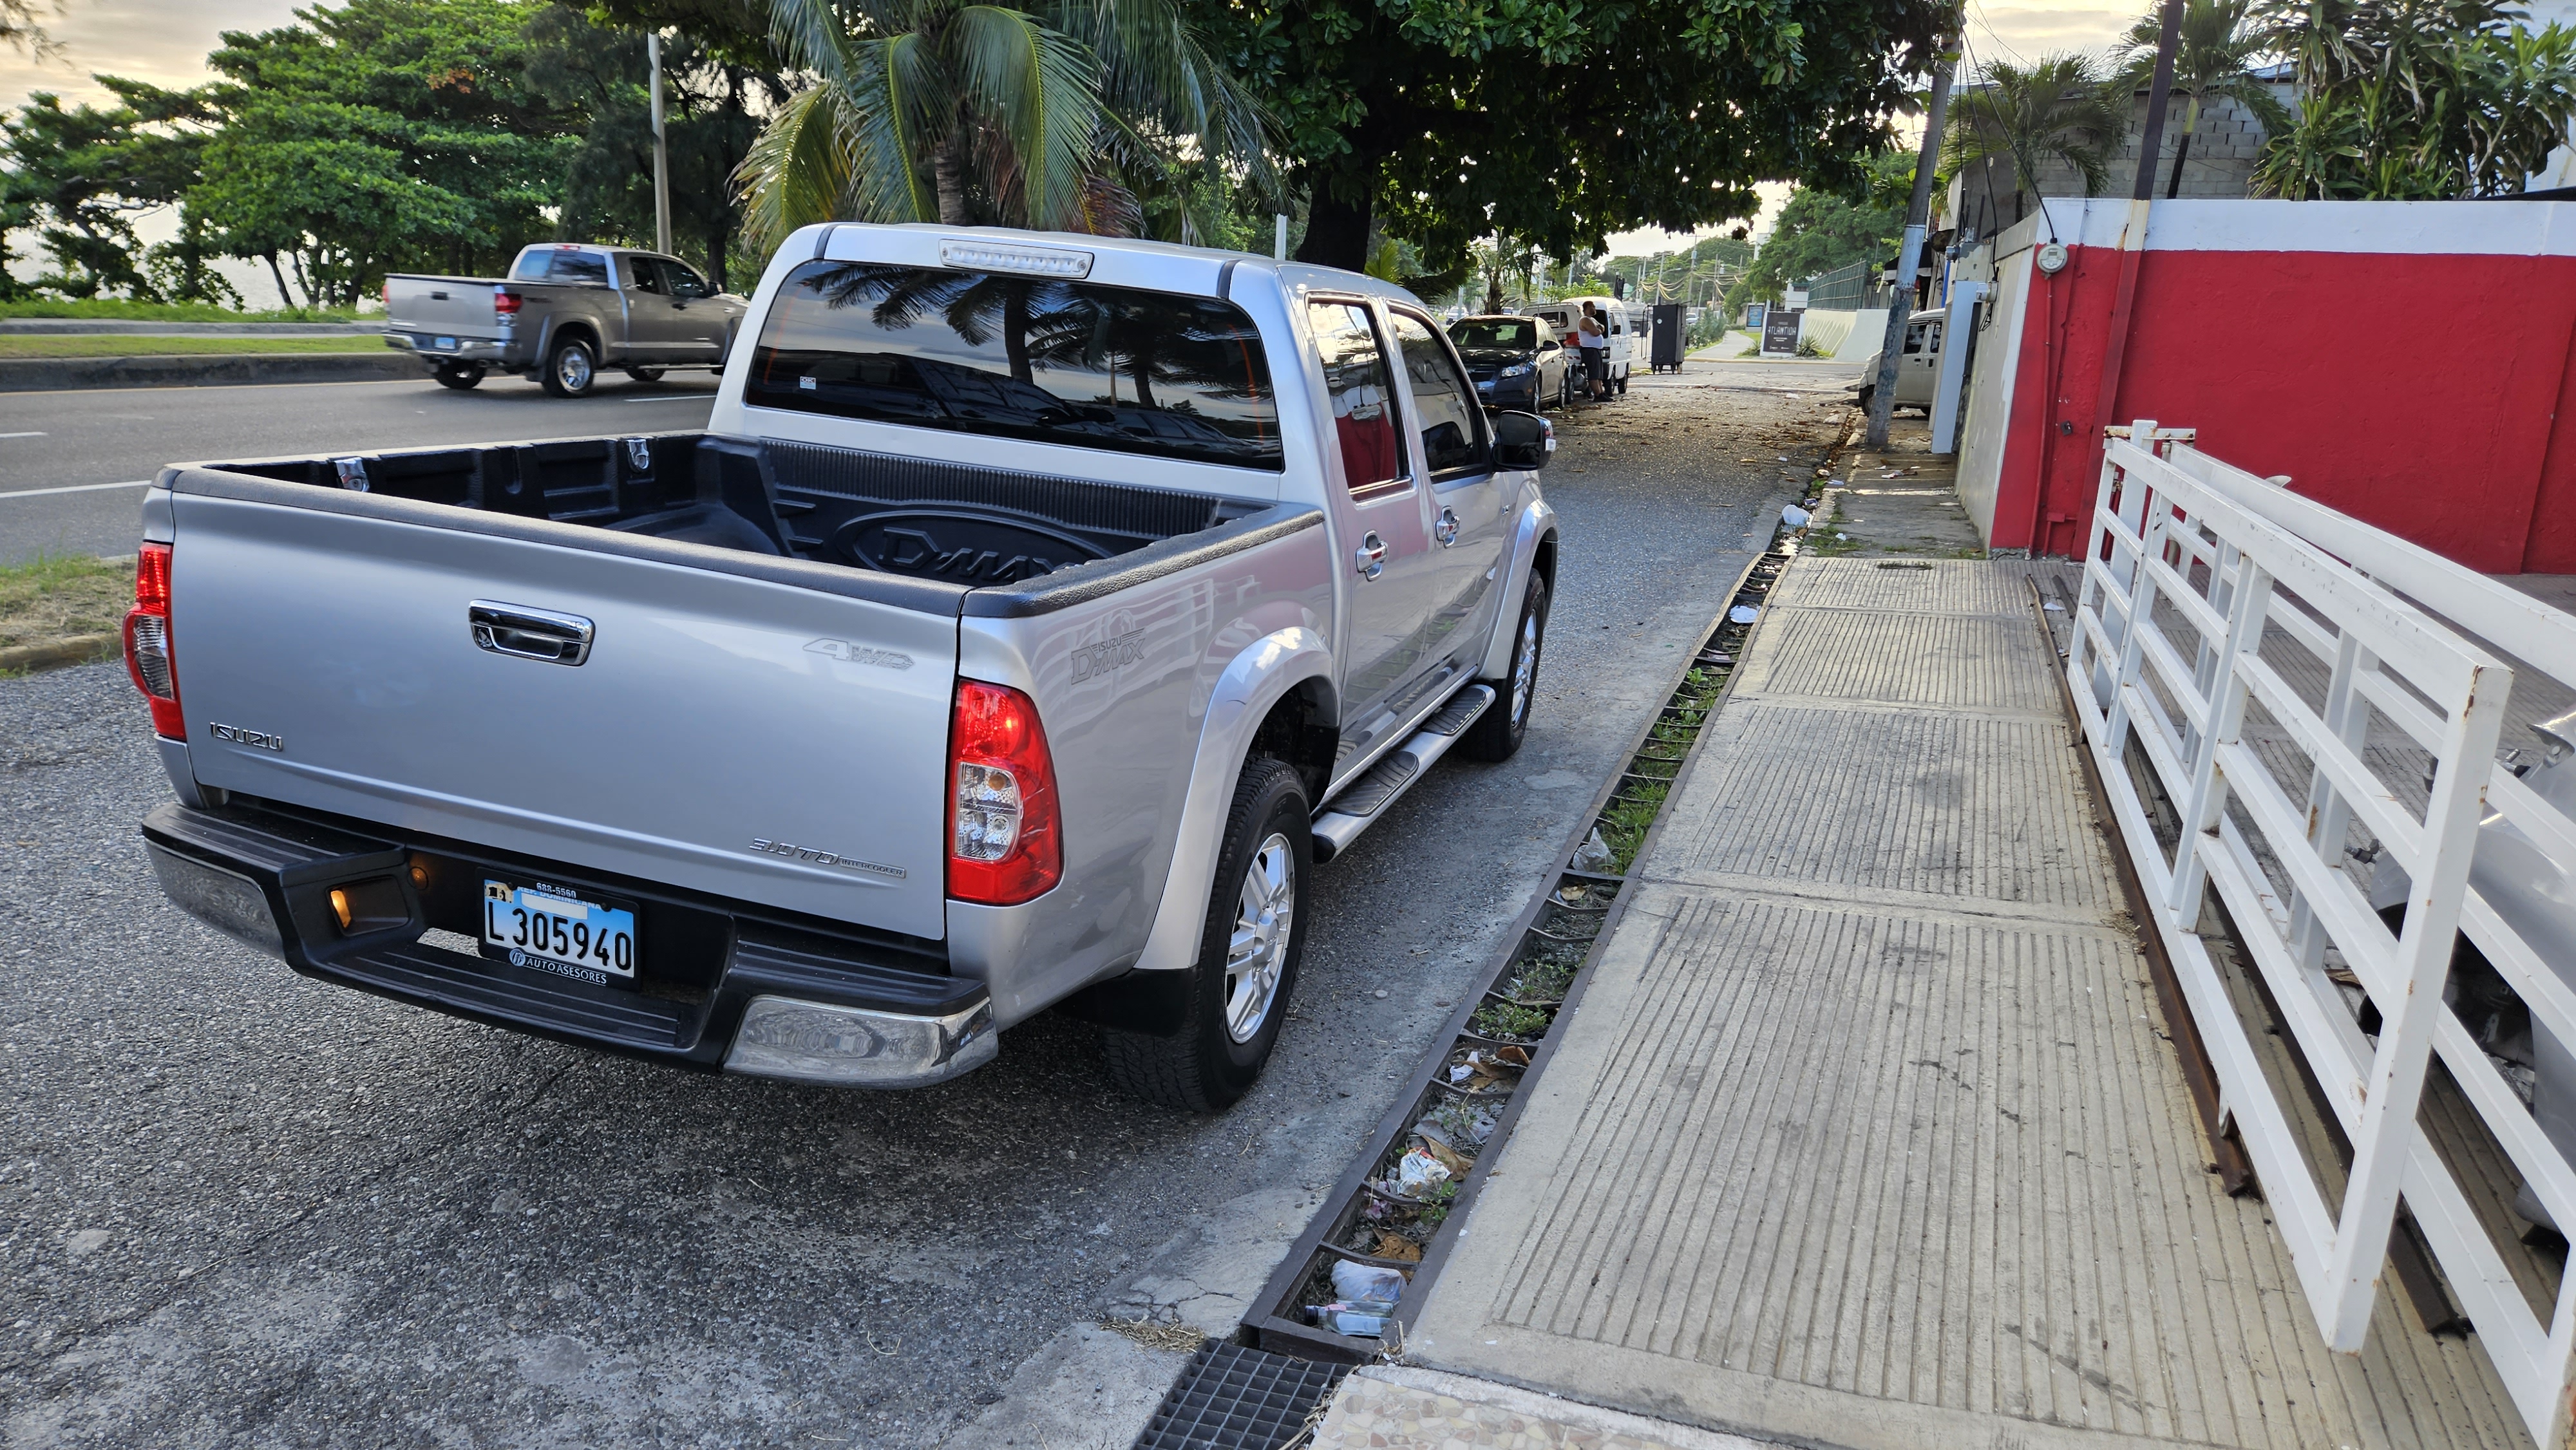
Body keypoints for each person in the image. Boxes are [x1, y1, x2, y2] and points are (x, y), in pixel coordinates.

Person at [1577, 303, 1608, 402]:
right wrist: (1600, 329)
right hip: (1589, 350)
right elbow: (1596, 332)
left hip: (1596, 349)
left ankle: (1601, 393)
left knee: (1598, 374)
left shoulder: (1592, 319)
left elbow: (1601, 327)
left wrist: (1601, 328)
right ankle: (1597, 395)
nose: (1594, 309)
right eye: (1592, 307)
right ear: (1586, 308)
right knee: (1594, 374)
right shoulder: (1585, 320)